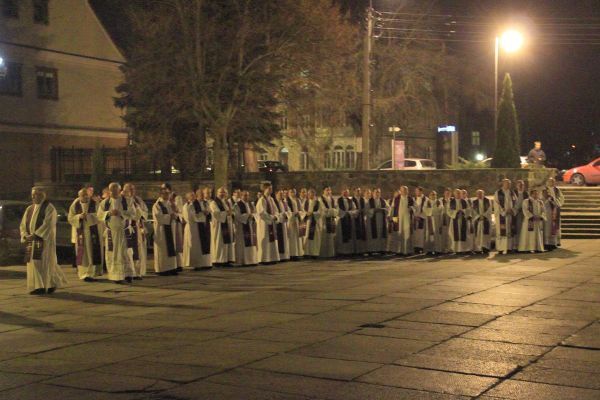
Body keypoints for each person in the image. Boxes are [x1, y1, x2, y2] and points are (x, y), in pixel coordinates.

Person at [20, 187, 67, 294]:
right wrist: (25, 235)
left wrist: (36, 235)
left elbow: (48, 224)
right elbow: (23, 224)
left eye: (35, 194)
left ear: (42, 195)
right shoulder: (29, 209)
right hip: (32, 241)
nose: (33, 197)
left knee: (45, 263)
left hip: (44, 241)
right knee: (33, 263)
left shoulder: (49, 208)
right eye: (32, 194)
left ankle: (45, 285)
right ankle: (40, 286)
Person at [98, 182, 136, 283]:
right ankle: (115, 276)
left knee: (126, 254)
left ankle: (128, 274)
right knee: (112, 255)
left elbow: (133, 214)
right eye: (111, 190)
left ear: (119, 191)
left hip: (124, 232)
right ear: (109, 191)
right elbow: (99, 215)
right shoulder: (105, 203)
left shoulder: (127, 201)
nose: (113, 192)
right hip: (111, 233)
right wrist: (108, 213)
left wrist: (121, 213)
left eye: (115, 190)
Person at [68, 188, 103, 282]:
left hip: (92, 231)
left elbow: (100, 216)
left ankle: (92, 273)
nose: (85, 197)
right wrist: (79, 217)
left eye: (86, 195)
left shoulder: (95, 203)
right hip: (81, 232)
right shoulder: (75, 204)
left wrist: (88, 216)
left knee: (92, 252)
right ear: (79, 196)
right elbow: (70, 218)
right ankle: (83, 273)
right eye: (83, 195)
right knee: (82, 253)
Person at [183, 188, 213, 270]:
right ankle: (197, 264)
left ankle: (206, 263)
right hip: (195, 228)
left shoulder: (206, 203)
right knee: (197, 246)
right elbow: (192, 216)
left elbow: (210, 212)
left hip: (204, 226)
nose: (203, 196)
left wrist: (208, 213)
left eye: (204, 194)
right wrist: (203, 213)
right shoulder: (193, 204)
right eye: (201, 194)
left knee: (205, 244)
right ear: (197, 195)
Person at [152, 183, 179, 276]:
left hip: (170, 229)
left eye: (168, 194)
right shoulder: (157, 205)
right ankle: (162, 269)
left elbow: (176, 213)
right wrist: (170, 216)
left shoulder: (170, 204)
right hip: (161, 230)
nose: (167, 195)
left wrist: (175, 213)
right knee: (162, 250)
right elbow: (158, 217)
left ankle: (172, 268)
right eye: (165, 194)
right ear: (161, 194)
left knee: (171, 248)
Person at [123, 183, 148, 279]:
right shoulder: (122, 200)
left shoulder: (138, 200)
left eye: (133, 189)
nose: (132, 191)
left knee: (138, 249)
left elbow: (144, 211)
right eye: (130, 189)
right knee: (128, 250)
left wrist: (139, 211)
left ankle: (138, 272)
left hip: (137, 226)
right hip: (127, 227)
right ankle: (129, 272)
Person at [210, 186, 236, 266]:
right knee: (219, 242)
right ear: (217, 193)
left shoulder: (226, 202)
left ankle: (227, 259)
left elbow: (231, 211)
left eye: (224, 192)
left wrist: (232, 213)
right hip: (219, 226)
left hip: (227, 224)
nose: (222, 194)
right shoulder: (214, 202)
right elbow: (216, 213)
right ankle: (218, 260)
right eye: (221, 192)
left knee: (227, 242)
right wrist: (226, 213)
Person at [256, 183, 280, 264]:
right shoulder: (261, 200)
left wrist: (276, 216)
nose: (271, 190)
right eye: (269, 189)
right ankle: (265, 259)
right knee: (266, 240)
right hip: (264, 224)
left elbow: (276, 210)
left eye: (271, 188)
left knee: (272, 240)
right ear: (264, 189)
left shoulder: (271, 199)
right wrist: (271, 217)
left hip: (271, 222)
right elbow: (261, 212)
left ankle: (272, 258)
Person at [233, 190, 259, 266]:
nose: (246, 197)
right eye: (244, 195)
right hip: (242, 228)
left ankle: (252, 260)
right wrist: (247, 216)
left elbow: (256, 214)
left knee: (252, 242)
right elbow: (237, 216)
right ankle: (243, 261)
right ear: (241, 196)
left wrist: (253, 216)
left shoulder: (251, 204)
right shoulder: (237, 205)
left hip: (251, 226)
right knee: (243, 244)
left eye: (247, 195)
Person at [494, 179, 517, 254]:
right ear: (503, 184)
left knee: (510, 231)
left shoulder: (512, 193)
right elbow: (496, 204)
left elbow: (516, 202)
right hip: (502, 216)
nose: (509, 185)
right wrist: (504, 211)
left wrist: (512, 210)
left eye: (509, 183)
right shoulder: (498, 193)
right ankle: (501, 248)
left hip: (510, 214)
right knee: (502, 232)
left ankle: (509, 248)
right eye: (507, 183)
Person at [388, 186, 413, 256]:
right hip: (397, 218)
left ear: (407, 191)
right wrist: (391, 218)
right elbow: (392, 208)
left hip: (407, 219)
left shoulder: (410, 199)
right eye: (402, 190)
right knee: (397, 233)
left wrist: (411, 208)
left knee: (406, 233)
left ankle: (406, 251)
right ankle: (398, 250)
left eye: (405, 190)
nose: (404, 192)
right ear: (400, 191)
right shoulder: (396, 199)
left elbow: (415, 207)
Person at [366, 188, 388, 254]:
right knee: (372, 234)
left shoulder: (383, 201)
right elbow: (366, 210)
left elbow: (388, 209)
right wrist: (373, 210)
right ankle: (372, 250)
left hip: (381, 220)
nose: (377, 193)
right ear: (373, 193)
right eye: (376, 192)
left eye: (378, 192)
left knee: (381, 233)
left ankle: (381, 249)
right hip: (372, 221)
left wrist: (383, 210)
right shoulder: (369, 201)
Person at [447, 189, 470, 254]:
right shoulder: (451, 202)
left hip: (463, 219)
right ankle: (456, 249)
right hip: (455, 220)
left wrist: (463, 211)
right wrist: (456, 212)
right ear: (454, 194)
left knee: (463, 234)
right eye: (457, 193)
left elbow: (468, 209)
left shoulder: (464, 201)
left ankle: (463, 249)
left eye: (459, 193)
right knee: (454, 234)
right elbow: (448, 211)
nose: (458, 194)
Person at [336, 188, 357, 256]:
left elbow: (355, 210)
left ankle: (349, 251)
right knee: (342, 235)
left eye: (347, 192)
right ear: (341, 193)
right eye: (344, 192)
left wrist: (349, 213)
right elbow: (337, 209)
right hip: (342, 219)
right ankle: (341, 251)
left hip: (349, 219)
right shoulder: (338, 200)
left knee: (349, 234)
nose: (345, 193)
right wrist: (344, 213)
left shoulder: (351, 201)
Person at [545, 178, 564, 249]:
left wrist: (555, 202)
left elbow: (561, 198)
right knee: (547, 227)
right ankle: (547, 242)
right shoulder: (545, 190)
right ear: (547, 182)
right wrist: (548, 200)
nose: (551, 183)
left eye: (553, 181)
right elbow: (542, 199)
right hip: (547, 211)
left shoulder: (557, 190)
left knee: (555, 226)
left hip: (555, 210)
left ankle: (555, 242)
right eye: (550, 181)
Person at [303, 189, 322, 258]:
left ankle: (314, 253)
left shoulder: (318, 202)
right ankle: (306, 253)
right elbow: (302, 211)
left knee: (315, 238)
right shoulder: (306, 202)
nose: (309, 195)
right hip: (308, 221)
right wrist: (306, 214)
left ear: (314, 194)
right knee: (307, 237)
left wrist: (313, 213)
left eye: (311, 194)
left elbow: (320, 212)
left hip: (315, 222)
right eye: (308, 194)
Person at [286, 189, 304, 260]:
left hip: (297, 220)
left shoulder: (298, 200)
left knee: (297, 237)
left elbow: (302, 210)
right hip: (290, 220)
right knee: (292, 237)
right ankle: (292, 254)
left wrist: (299, 213)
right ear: (289, 193)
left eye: (294, 192)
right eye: (291, 192)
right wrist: (293, 214)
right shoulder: (287, 200)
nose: (293, 193)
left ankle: (297, 253)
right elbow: (287, 211)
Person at [319, 187, 337, 258]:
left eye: (329, 190)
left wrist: (333, 211)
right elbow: (323, 210)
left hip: (331, 219)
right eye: (327, 190)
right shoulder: (320, 199)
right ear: (323, 191)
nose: (329, 192)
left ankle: (331, 253)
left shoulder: (332, 199)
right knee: (325, 236)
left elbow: (336, 209)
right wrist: (332, 211)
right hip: (324, 220)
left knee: (331, 236)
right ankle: (324, 254)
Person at [423, 191, 443, 255]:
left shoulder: (439, 201)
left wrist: (436, 209)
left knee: (437, 235)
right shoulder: (427, 202)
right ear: (429, 196)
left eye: (434, 195)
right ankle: (429, 250)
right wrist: (431, 211)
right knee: (429, 235)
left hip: (437, 219)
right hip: (430, 219)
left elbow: (441, 209)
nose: (433, 196)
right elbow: (424, 209)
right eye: (432, 195)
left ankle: (438, 250)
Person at [274, 190, 291, 262]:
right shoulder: (274, 203)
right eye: (280, 194)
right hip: (278, 223)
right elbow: (275, 213)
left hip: (284, 223)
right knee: (280, 239)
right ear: (276, 194)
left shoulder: (284, 202)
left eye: (282, 194)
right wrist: (282, 215)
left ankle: (285, 256)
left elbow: (289, 211)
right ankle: (279, 256)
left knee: (285, 240)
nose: (281, 195)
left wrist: (287, 214)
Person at [351, 188, 368, 255]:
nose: (358, 192)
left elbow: (365, 208)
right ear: (354, 192)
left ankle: (362, 250)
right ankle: (356, 250)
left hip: (361, 217)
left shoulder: (362, 199)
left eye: (359, 191)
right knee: (356, 233)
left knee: (362, 233)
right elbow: (351, 209)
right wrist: (356, 212)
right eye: (357, 191)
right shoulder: (352, 200)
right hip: (355, 219)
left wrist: (363, 211)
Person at [514, 180, 529, 250]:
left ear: (524, 186)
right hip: (515, 213)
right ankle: (517, 246)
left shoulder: (526, 194)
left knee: (524, 228)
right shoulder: (513, 193)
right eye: (519, 185)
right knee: (517, 229)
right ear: (516, 186)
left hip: (525, 213)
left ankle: (524, 245)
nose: (520, 186)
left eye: (522, 185)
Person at [412, 187, 427, 253]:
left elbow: (426, 209)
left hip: (422, 218)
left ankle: (421, 247)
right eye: (416, 191)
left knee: (421, 233)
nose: (416, 193)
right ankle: (415, 247)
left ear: (421, 192)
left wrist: (420, 216)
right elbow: (412, 208)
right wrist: (415, 216)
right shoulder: (413, 199)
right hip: (415, 218)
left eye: (418, 191)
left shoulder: (426, 199)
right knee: (415, 233)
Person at [439, 188, 453, 253]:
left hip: (451, 217)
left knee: (450, 233)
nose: (447, 194)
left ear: (451, 194)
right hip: (443, 218)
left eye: (449, 193)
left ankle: (450, 248)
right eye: (446, 193)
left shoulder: (452, 200)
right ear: (444, 193)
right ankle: (443, 248)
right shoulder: (440, 200)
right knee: (443, 233)